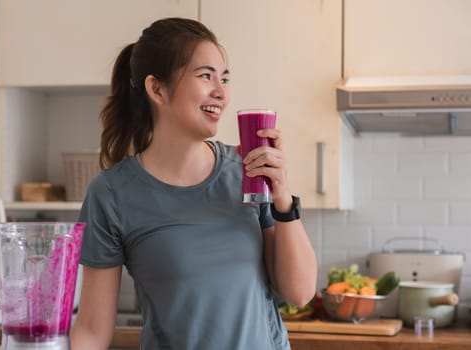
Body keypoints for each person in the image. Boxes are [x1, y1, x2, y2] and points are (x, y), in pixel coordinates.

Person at [70, 17, 317, 350]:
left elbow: (298, 292)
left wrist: (283, 198)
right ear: (157, 88)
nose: (222, 92)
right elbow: (91, 330)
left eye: (224, 78)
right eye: (205, 76)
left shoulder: (246, 171)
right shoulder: (112, 194)